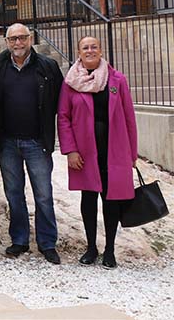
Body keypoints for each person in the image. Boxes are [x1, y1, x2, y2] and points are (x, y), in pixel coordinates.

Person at [58, 36, 138, 270]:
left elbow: (129, 117)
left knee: (112, 200)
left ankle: (110, 250)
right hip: (84, 152)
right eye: (85, 47)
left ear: (100, 50)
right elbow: (63, 117)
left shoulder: (117, 79)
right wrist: (70, 150)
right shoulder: (70, 82)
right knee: (89, 198)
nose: (90, 50)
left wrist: (132, 154)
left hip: (114, 150)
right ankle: (91, 247)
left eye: (94, 47)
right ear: (79, 52)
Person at [0, 23, 64, 264]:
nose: (18, 43)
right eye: (13, 39)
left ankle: (47, 242)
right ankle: (19, 239)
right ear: (6, 41)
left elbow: (61, 103)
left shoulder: (47, 66)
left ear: (30, 39)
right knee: (13, 193)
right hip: (7, 142)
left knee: (43, 194)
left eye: (22, 38)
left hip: (37, 142)